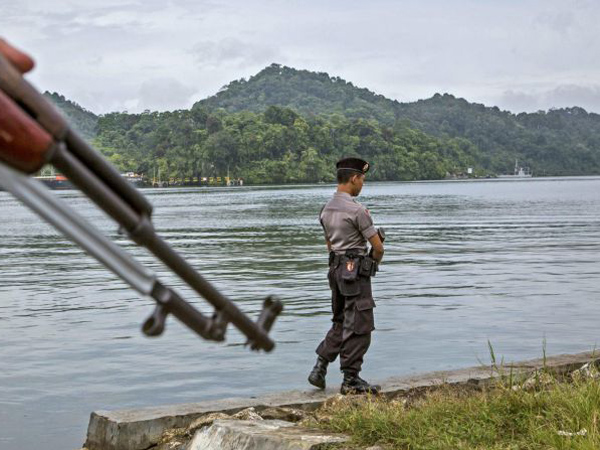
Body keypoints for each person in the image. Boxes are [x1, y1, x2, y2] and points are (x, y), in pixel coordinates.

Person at [308, 157, 384, 395]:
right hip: (356, 273)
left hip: (336, 271)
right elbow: (378, 248)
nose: (362, 184)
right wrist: (371, 263)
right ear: (354, 178)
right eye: (362, 179)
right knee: (360, 325)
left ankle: (319, 368)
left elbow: (329, 245)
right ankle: (350, 379)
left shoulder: (325, 209)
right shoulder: (358, 210)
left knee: (341, 321)